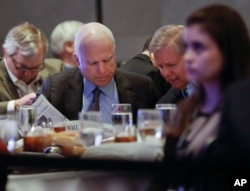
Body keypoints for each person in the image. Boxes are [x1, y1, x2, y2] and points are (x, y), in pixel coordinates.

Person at [146, 4, 250, 190]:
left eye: (199, 47)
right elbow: (164, 177)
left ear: (228, 51)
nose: (189, 58)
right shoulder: (183, 106)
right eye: (188, 48)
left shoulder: (243, 104)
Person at [39, 22, 159, 124]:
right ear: (77, 60)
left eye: (107, 60)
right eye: (93, 63)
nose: (102, 70)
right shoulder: (55, 88)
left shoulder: (142, 87)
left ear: (114, 52)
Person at [0, 22, 64, 114]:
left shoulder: (56, 69)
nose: (28, 74)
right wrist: (16, 105)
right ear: (6, 53)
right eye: (21, 67)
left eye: (36, 67)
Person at [149, 25, 194, 104]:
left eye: (171, 65)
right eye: (161, 67)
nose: (165, 74)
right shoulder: (166, 103)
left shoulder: (220, 88)